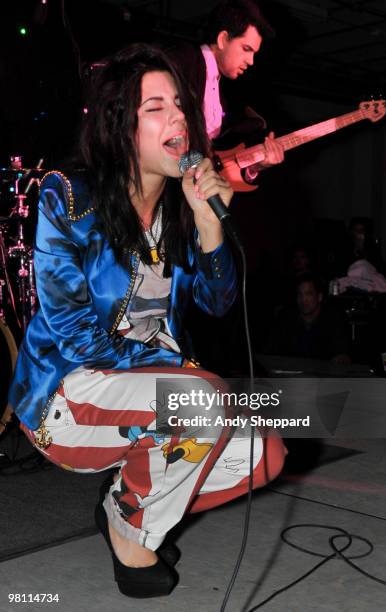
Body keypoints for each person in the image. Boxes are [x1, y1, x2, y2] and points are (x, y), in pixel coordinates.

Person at [6, 44, 286, 599]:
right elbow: (75, 334)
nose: (179, 116)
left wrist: (208, 225)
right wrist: (180, 373)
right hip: (67, 393)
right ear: (119, 127)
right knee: (204, 402)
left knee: (262, 455)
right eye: (155, 107)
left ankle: (123, 509)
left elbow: (218, 303)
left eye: (180, 104)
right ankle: (134, 535)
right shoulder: (70, 197)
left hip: (146, 388)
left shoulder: (180, 209)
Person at [167, 0, 284, 181]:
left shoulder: (223, 96)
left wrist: (255, 166)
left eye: (254, 53)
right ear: (222, 39)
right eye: (246, 49)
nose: (251, 61)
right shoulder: (183, 60)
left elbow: (214, 163)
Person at [265, 273, 351, 364]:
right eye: (300, 295)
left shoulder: (333, 320)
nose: (303, 299)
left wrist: (342, 358)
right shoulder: (286, 319)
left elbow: (343, 353)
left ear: (319, 297)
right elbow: (270, 351)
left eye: (309, 294)